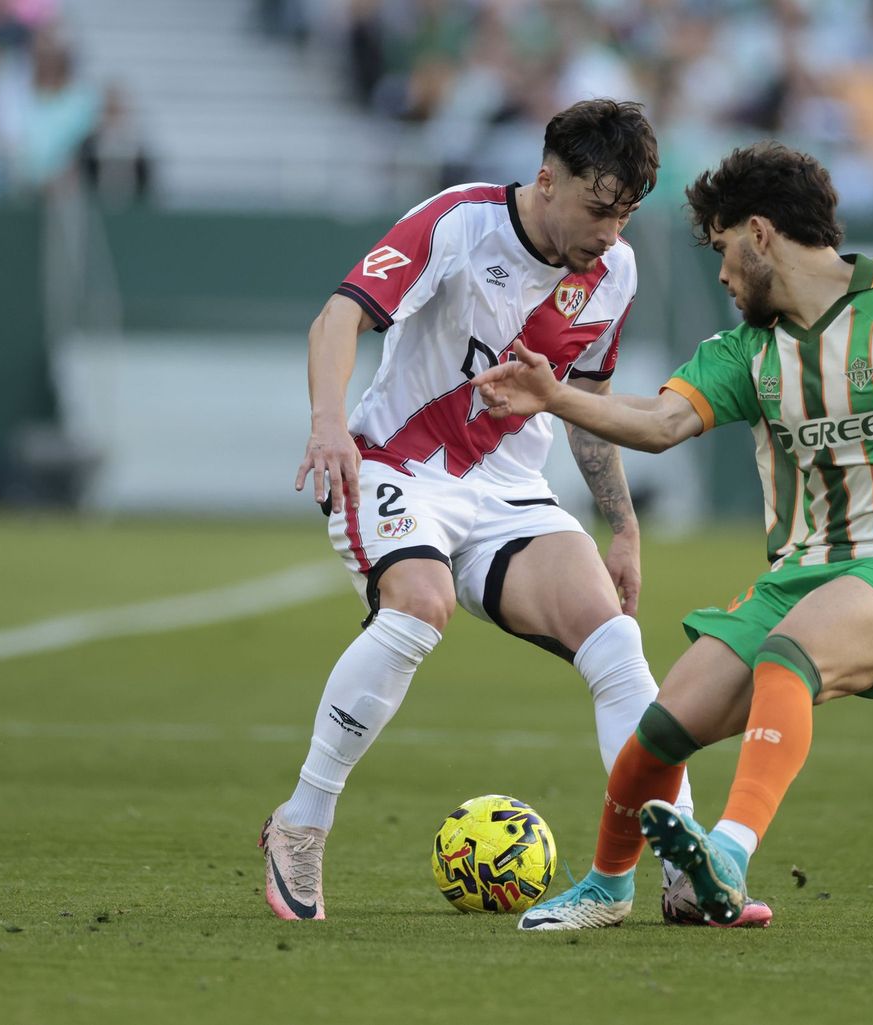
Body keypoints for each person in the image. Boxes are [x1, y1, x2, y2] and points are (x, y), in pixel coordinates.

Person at [475, 142, 873, 929]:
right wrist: (551, 395)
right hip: (797, 577)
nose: (719, 274)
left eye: (721, 250)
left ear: (760, 233)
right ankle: (609, 887)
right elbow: (659, 419)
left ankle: (729, 856)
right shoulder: (748, 350)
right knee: (660, 728)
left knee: (793, 647)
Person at [261, 98, 750, 926]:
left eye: (626, 212)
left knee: (617, 639)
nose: (609, 231)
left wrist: (620, 524)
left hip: (511, 492)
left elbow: (586, 401)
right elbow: (339, 315)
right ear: (547, 177)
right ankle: (300, 822)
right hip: (397, 466)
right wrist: (326, 422)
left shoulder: (616, 271)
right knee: (420, 605)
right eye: (599, 208)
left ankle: (684, 860)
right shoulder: (456, 223)